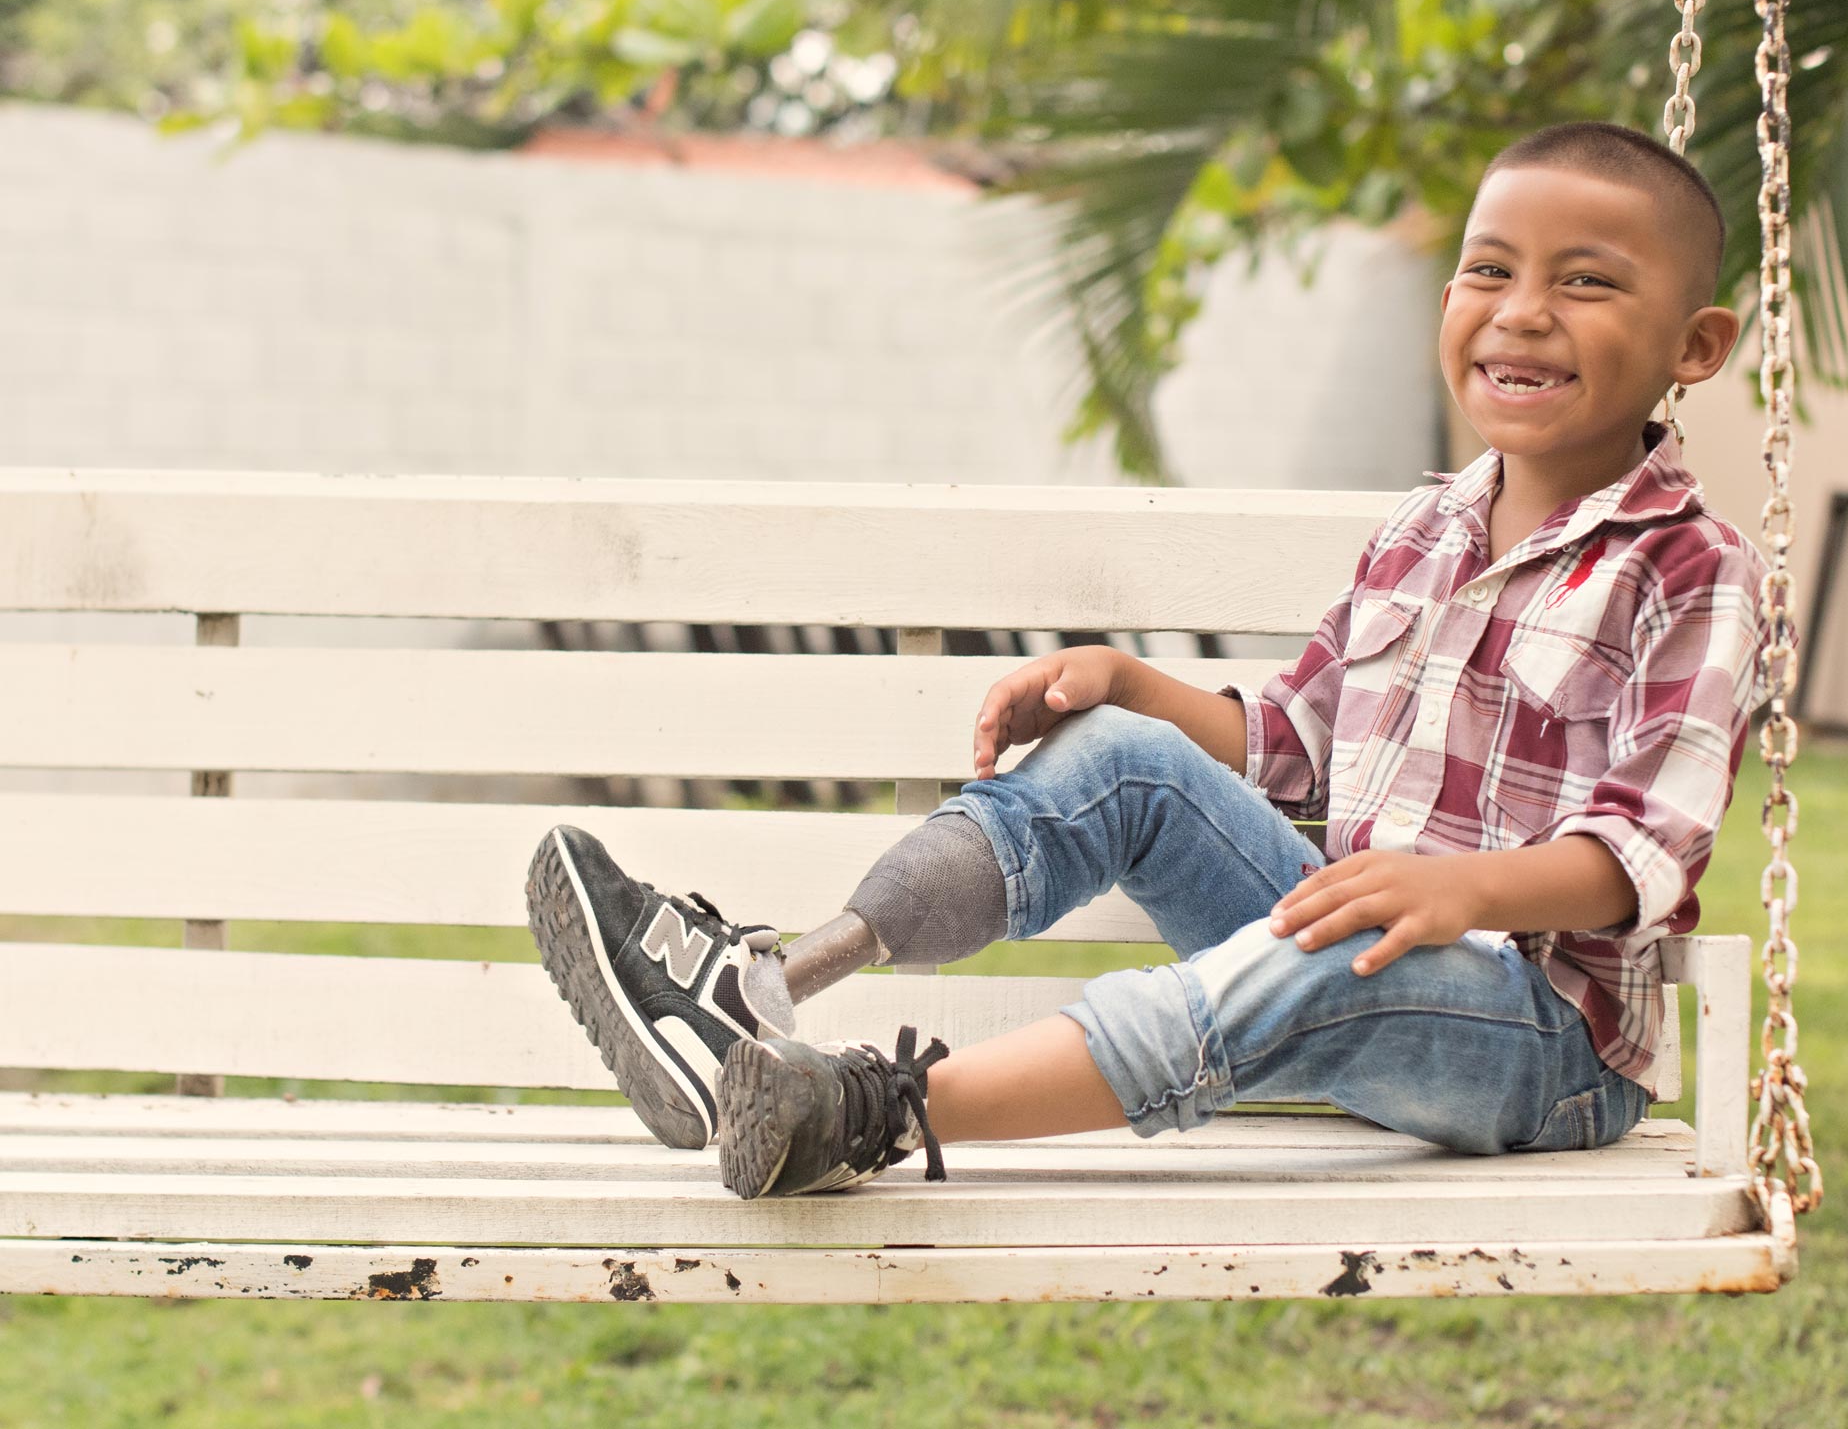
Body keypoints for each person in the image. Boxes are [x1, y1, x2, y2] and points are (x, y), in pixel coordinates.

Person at [524, 120, 1767, 1201]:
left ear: (1694, 344)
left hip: (1542, 1050)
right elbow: (1290, 745)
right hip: (1359, 959)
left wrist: (1466, 893)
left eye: (1586, 284)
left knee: (1330, 941)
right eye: (1485, 270)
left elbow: (1639, 853)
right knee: (1124, 759)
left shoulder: (1691, 569)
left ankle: (867, 1113)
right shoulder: (1423, 526)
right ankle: (764, 985)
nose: (1521, 311)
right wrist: (1129, 684)